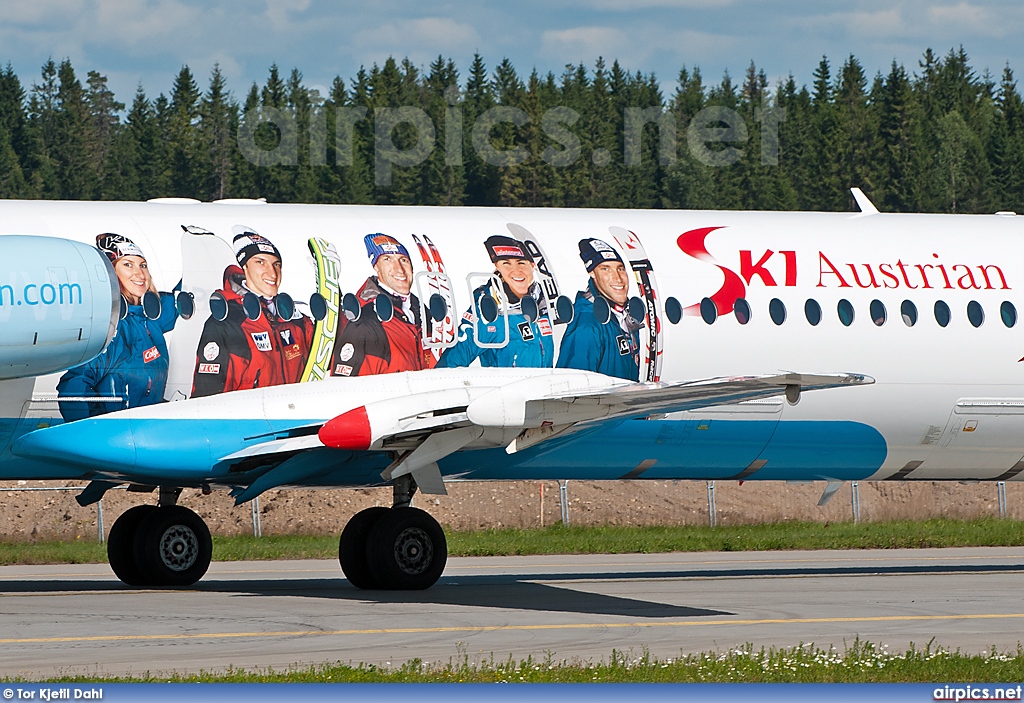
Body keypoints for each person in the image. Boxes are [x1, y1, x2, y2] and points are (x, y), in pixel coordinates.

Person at [57, 234, 177, 421]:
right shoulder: (113, 328)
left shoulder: (149, 319)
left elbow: (177, 302)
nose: (139, 274)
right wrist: (94, 430)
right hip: (121, 433)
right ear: (111, 273)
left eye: (142, 265)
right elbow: (73, 386)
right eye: (128, 264)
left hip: (147, 430)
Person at [191, 228, 313, 397]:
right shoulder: (227, 321)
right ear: (244, 267)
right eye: (260, 262)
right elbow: (206, 397)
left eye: (276, 264)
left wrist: (335, 294)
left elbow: (329, 348)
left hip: (294, 418)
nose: (272, 273)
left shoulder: (293, 318)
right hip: (250, 421)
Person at [437, 235, 553, 369]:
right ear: (497, 266)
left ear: (532, 266)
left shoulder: (543, 304)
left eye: (521, 263)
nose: (516, 270)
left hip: (546, 387)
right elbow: (450, 364)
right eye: (506, 263)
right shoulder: (488, 312)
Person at [330, 233, 434, 377]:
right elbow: (346, 389)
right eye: (387, 259)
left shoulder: (424, 314)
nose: (399, 269)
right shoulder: (365, 322)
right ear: (376, 268)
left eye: (403, 260)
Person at [556, 238, 642, 381]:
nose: (618, 278)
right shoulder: (587, 325)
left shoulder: (623, 317)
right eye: (606, 269)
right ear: (592, 274)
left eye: (620, 269)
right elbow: (574, 388)